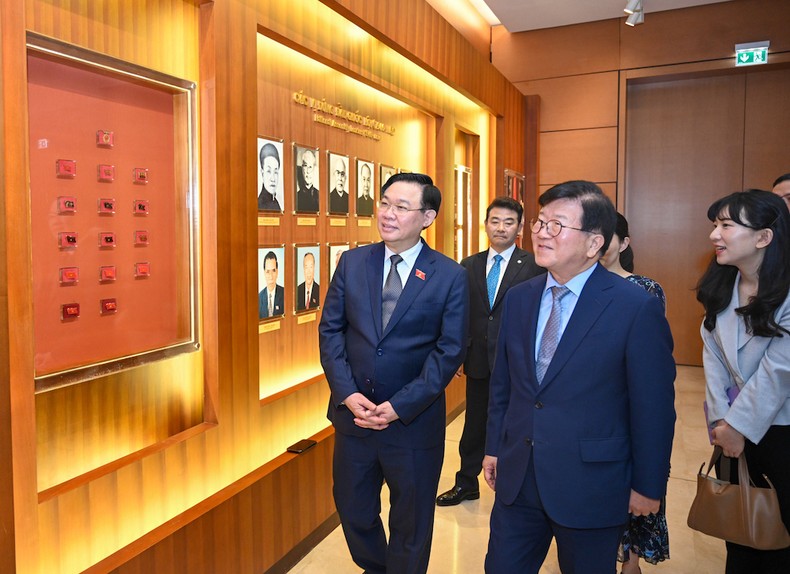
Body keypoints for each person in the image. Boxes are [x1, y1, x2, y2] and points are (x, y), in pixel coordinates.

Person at [483, 180, 676, 574]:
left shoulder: (634, 307)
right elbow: (504, 384)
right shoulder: (521, 298)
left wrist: (648, 484)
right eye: (539, 223)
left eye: (557, 225)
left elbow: (653, 407)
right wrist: (493, 447)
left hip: (591, 483)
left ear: (594, 244)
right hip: (519, 476)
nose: (540, 233)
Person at [318, 172, 469, 574]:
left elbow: (449, 350)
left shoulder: (450, 275)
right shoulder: (352, 262)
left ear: (427, 217)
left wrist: (399, 406)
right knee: (354, 510)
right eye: (384, 203)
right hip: (355, 417)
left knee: (412, 520)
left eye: (401, 207)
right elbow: (331, 330)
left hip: (412, 423)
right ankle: (376, 567)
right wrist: (347, 394)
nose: (387, 214)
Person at [696, 189, 790, 573]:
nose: (715, 235)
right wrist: (720, 421)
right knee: (740, 526)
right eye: (715, 225)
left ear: (763, 237)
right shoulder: (722, 287)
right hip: (731, 432)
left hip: (780, 430)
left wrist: (737, 426)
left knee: (778, 529)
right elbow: (713, 358)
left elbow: (778, 372)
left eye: (727, 225)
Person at [436, 197, 543, 507]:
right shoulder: (468, 265)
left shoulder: (535, 265)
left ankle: (512, 483)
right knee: (474, 426)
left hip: (518, 362)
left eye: (509, 222)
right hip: (480, 359)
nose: (501, 228)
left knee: (517, 424)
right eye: (495, 221)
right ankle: (466, 482)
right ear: (485, 225)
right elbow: (458, 314)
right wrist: (457, 354)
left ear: (520, 227)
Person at [600, 212, 669, 573]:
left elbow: (654, 363)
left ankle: (631, 563)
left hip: (631, 409)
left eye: (607, 236)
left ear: (624, 243)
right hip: (594, 411)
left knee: (635, 489)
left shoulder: (645, 291)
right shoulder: (574, 288)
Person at [259, 251, 285, 319]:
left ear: (277, 272)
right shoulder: (259, 298)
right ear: (264, 273)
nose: (270, 276)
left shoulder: (285, 294)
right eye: (268, 271)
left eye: (273, 271)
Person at [257, 142, 282, 212]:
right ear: (262, 173)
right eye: (268, 171)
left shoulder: (275, 202)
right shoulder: (260, 204)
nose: (273, 178)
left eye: (276, 172)